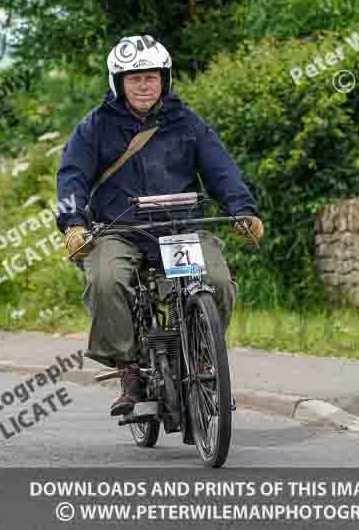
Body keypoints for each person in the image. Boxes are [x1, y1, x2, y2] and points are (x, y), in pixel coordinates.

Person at [55, 35, 264, 416]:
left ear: (164, 80)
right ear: (118, 82)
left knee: (217, 281)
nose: (144, 85)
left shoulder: (187, 122)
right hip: (120, 231)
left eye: (151, 76)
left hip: (181, 229)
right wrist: (72, 224)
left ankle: (204, 359)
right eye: (134, 78)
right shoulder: (94, 126)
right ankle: (129, 368)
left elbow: (222, 170)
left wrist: (242, 210)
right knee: (106, 279)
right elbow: (71, 180)